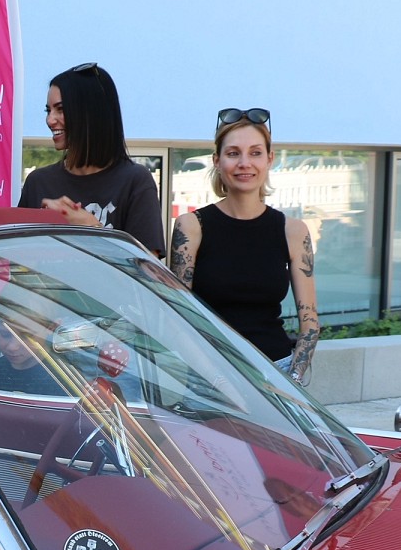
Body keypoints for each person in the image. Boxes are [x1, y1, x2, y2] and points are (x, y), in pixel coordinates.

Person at [168, 108, 319, 384]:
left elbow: (310, 323)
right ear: (217, 160)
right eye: (233, 153)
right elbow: (179, 316)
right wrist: (209, 376)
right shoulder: (191, 227)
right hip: (209, 377)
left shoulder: (294, 231)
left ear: (270, 159)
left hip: (277, 374)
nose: (245, 163)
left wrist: (293, 381)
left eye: (255, 153)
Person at [17, 63, 164, 256]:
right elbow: (17, 259)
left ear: (91, 113)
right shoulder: (38, 182)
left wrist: (92, 228)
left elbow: (146, 269)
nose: (50, 120)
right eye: (48, 110)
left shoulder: (135, 181)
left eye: (60, 109)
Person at [0, 320, 60, 394]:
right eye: (5, 335)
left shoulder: (62, 378)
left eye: (26, 336)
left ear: (51, 328)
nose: (12, 347)